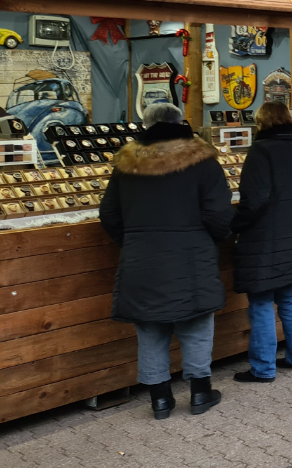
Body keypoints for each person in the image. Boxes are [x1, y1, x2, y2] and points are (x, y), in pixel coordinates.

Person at [98, 103, 233, 420]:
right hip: (191, 256)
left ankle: (160, 400)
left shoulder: (126, 164)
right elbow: (219, 215)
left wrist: (133, 242)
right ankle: (200, 393)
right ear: (179, 122)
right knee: (196, 326)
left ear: (146, 125)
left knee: (150, 331)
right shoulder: (202, 161)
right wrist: (213, 239)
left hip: (141, 259)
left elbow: (109, 215)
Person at [230, 102, 292, 384]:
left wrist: (236, 226)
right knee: (289, 296)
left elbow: (254, 200)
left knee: (261, 300)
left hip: (265, 236)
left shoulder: (260, 151)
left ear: (262, 122)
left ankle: (263, 368)